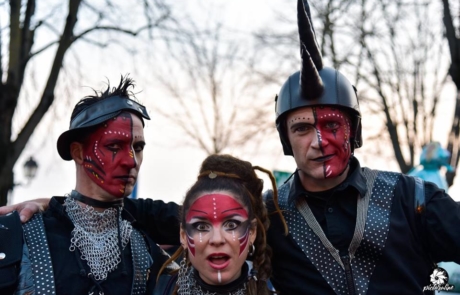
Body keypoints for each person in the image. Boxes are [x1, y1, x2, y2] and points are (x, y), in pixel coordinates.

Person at [263, 0, 460, 294]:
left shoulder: (411, 199)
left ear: (354, 131)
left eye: (332, 125)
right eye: (302, 128)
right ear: (286, 140)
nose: (319, 142)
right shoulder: (267, 215)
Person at [0, 76, 180, 295]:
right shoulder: (20, 237)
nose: (131, 160)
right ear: (78, 152)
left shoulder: (147, 254)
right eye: (114, 146)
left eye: (138, 147)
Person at [154, 154, 280, 295]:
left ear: (251, 232)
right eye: (202, 226)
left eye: (231, 224)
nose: (217, 239)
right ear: (183, 236)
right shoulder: (158, 289)